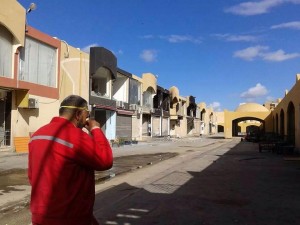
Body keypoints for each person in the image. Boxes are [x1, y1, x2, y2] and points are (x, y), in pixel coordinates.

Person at [28, 95, 113, 225]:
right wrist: (95, 129)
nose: (86, 120)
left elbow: (32, 175)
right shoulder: (76, 136)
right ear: (78, 114)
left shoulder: (38, 134)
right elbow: (105, 160)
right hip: (69, 217)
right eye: (86, 115)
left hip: (40, 216)